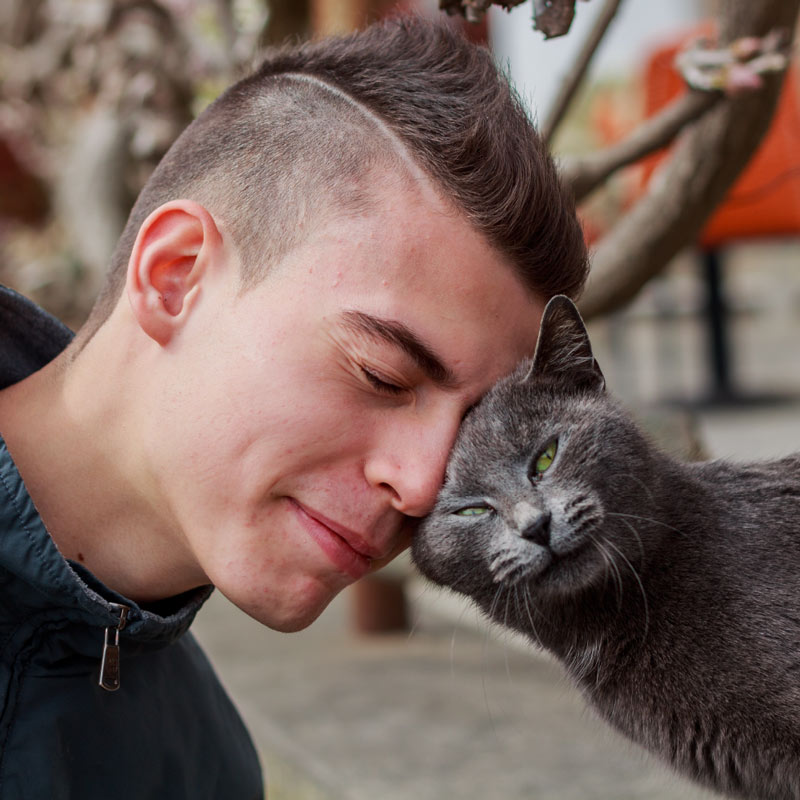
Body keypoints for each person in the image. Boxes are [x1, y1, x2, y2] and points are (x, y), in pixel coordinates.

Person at [0, 13, 588, 799]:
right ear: (173, 276)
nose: (421, 487)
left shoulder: (209, 769)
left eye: (469, 434)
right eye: (382, 375)